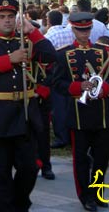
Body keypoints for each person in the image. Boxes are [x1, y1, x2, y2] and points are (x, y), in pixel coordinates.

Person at [0, 0, 56, 212]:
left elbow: (50, 56)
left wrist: (32, 32)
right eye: (2, 17)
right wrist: (9, 59)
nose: (7, 21)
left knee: (29, 167)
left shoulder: (26, 41)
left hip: (24, 114)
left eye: (11, 16)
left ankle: (19, 202)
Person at [53, 12, 109, 212]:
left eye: (87, 29)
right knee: (81, 160)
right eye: (80, 29)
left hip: (101, 113)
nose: (84, 33)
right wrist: (79, 87)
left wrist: (103, 89)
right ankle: (85, 196)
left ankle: (97, 193)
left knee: (102, 157)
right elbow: (57, 83)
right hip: (78, 113)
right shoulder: (63, 54)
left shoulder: (104, 51)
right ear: (73, 28)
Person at [45, 10, 73, 148]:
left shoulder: (49, 35)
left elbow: (46, 55)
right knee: (69, 104)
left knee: (59, 106)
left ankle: (62, 137)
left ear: (48, 20)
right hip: (72, 71)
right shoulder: (69, 32)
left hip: (57, 71)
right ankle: (70, 133)